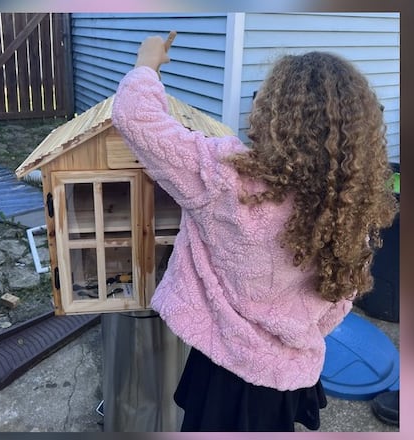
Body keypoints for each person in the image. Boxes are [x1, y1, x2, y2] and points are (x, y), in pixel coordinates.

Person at [111, 36, 398, 432]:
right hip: (287, 374)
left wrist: (148, 64)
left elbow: (135, 116)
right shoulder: (349, 205)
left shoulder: (227, 179)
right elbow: (339, 300)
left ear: (271, 115)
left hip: (224, 369)